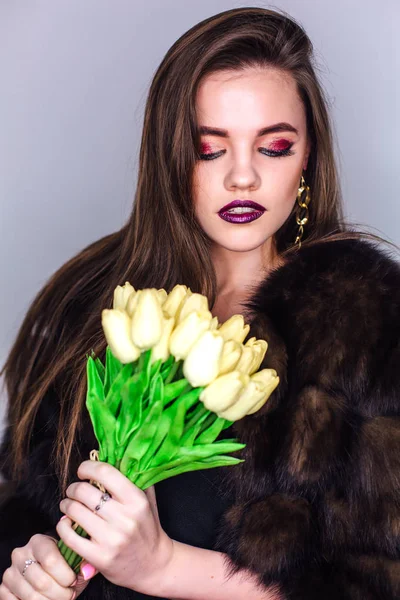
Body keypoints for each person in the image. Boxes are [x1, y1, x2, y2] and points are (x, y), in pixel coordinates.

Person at [1, 5, 399, 600]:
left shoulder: (366, 320)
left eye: (275, 146)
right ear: (170, 157)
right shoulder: (89, 299)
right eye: (210, 148)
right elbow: (22, 501)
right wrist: (32, 565)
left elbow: (374, 582)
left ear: (308, 157)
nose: (243, 178)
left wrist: (161, 566)